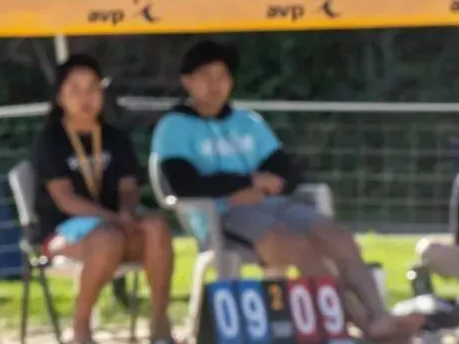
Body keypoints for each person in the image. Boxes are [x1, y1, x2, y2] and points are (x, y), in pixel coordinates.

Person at [150, 40, 424, 341]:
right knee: (298, 247)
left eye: (222, 76)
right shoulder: (174, 127)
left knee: (338, 239)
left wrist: (266, 186)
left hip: (271, 205)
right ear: (187, 81)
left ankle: (381, 316)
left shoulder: (248, 122)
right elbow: (182, 184)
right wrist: (245, 184)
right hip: (223, 213)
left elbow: (287, 170)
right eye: (205, 77)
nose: (215, 85)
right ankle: (360, 324)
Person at [30, 54, 174, 344]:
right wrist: (112, 218)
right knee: (107, 238)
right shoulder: (50, 140)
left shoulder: (116, 137)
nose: (85, 98)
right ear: (60, 97)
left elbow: (129, 186)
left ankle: (160, 322)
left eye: (92, 88)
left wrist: (127, 210)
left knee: (156, 227)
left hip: (116, 224)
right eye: (75, 90)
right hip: (65, 231)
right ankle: (80, 328)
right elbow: (65, 199)